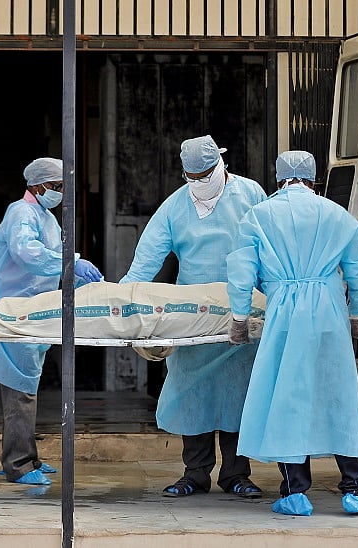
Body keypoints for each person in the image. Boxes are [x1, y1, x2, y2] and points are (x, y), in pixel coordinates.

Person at [226, 150, 358, 516]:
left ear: (278, 178)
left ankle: (295, 491)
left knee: (288, 398)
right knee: (339, 395)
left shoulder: (258, 216)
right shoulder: (338, 215)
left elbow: (241, 270)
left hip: (283, 315)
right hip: (329, 312)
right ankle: (354, 489)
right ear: (314, 179)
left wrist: (238, 316)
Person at [120, 135, 266, 498]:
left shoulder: (251, 195)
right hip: (193, 315)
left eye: (206, 174)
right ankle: (195, 473)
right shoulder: (174, 208)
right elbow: (145, 261)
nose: (200, 182)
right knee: (193, 395)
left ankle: (236, 474)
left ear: (222, 163)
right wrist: (120, 300)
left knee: (239, 395)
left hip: (240, 312)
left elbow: (272, 249)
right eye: (193, 177)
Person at [0, 157, 103, 486]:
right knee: (19, 392)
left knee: (25, 389)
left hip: (33, 313)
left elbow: (55, 261)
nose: (62, 192)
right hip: (15, 313)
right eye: (57, 186)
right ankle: (18, 464)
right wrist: (73, 261)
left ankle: (27, 456)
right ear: (37, 185)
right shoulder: (21, 213)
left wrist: (82, 279)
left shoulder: (45, 216)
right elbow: (28, 253)